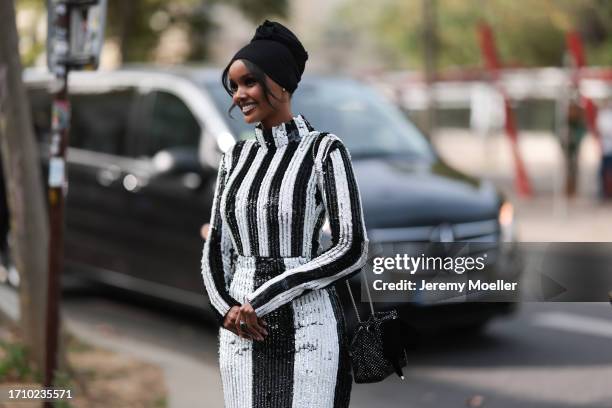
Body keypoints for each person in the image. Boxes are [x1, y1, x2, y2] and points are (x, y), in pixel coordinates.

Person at [200, 20, 369, 408]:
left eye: (249, 83)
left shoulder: (324, 150)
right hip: (241, 332)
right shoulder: (236, 157)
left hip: (309, 329)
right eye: (234, 86)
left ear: (280, 85)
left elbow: (351, 246)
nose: (239, 95)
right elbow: (217, 248)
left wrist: (264, 298)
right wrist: (226, 309)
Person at [596, 99, 612, 199]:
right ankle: (604, 192)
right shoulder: (603, 115)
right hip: (606, 148)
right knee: (603, 171)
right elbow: (601, 129)